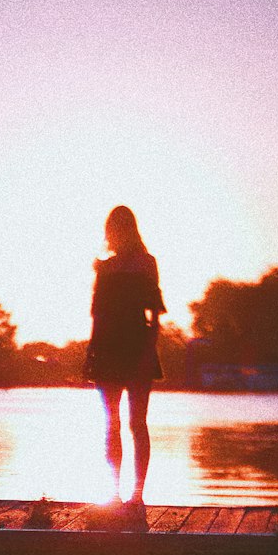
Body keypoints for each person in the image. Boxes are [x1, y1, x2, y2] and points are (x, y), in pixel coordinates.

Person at [84, 205, 166, 506]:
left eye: (120, 228)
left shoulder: (147, 263)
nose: (115, 234)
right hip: (107, 349)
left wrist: (149, 352)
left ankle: (137, 495)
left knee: (137, 424)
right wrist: (90, 353)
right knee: (112, 425)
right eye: (112, 229)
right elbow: (98, 315)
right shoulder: (104, 268)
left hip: (137, 346)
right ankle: (114, 494)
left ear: (130, 230)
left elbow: (154, 315)